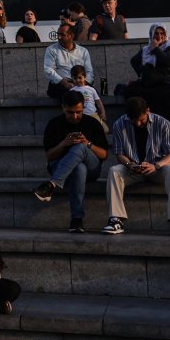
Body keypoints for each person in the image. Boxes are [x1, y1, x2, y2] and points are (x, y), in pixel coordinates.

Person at [102, 97, 170, 237]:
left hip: (157, 168)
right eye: (133, 121)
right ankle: (115, 220)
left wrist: (156, 166)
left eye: (141, 119)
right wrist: (130, 165)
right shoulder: (119, 124)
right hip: (133, 169)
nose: (137, 123)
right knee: (114, 171)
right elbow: (119, 154)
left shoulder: (163, 123)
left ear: (148, 111)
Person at [33, 90, 110, 233]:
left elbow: (104, 154)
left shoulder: (92, 123)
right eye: (70, 112)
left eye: (78, 112)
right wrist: (64, 144)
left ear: (83, 108)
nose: (75, 116)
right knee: (79, 169)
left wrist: (87, 143)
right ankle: (77, 220)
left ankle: (52, 184)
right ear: (63, 108)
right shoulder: (54, 124)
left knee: (80, 147)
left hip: (92, 167)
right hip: (62, 167)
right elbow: (49, 157)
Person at [125, 23, 170, 127]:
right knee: (131, 90)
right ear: (151, 34)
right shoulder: (147, 49)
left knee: (157, 94)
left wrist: (155, 49)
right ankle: (137, 121)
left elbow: (166, 61)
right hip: (155, 82)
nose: (159, 36)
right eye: (156, 33)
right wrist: (142, 73)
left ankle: (169, 126)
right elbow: (134, 61)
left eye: (162, 33)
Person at [43, 24, 93, 101]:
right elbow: (48, 70)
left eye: (62, 35)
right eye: (58, 34)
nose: (59, 37)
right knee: (71, 96)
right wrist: (64, 83)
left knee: (93, 94)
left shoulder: (83, 51)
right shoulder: (51, 50)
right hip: (60, 84)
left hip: (81, 83)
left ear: (71, 36)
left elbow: (89, 72)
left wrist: (83, 84)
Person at [69, 64, 107, 131]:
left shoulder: (91, 89)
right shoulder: (72, 90)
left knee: (105, 130)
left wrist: (103, 113)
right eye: (75, 78)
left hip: (93, 115)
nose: (77, 80)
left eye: (80, 78)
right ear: (72, 78)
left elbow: (99, 103)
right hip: (79, 116)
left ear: (85, 77)